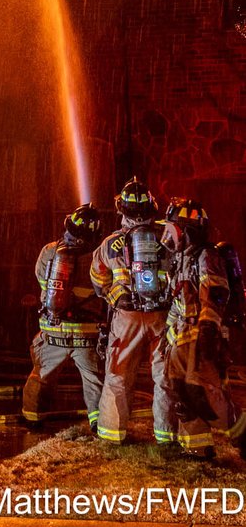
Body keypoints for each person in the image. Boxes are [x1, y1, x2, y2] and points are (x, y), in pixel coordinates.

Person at [90, 176, 175, 446]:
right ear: (152, 208)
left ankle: (112, 435)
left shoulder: (109, 244)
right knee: (164, 376)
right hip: (162, 316)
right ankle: (166, 434)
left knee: (117, 375)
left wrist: (119, 298)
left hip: (126, 318)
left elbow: (97, 278)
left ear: (121, 209)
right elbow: (179, 271)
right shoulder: (166, 238)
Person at [158, 198, 246, 459]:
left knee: (207, 397)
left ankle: (244, 436)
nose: (167, 235)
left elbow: (217, 293)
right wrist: (167, 336)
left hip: (201, 336)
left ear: (186, 231)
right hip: (182, 338)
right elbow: (178, 302)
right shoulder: (180, 260)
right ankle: (198, 447)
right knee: (180, 393)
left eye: (172, 228)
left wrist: (208, 331)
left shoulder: (207, 256)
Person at [22, 203, 105, 432]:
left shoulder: (49, 251)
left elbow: (41, 280)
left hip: (53, 329)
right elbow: (105, 289)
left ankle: (33, 417)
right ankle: (98, 421)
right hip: (87, 332)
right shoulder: (98, 256)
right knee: (93, 380)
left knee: (42, 375)